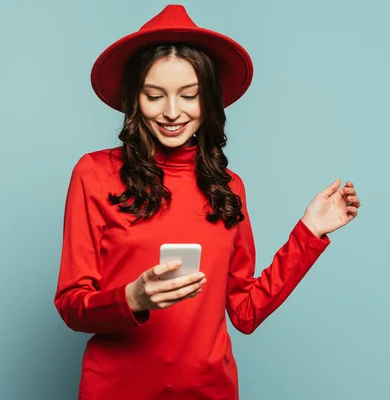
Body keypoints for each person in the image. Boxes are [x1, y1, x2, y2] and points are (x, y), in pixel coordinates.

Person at [54, 4, 361, 400]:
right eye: (154, 95)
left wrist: (310, 231)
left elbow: (246, 312)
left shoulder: (228, 186)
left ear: (210, 100)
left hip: (209, 390)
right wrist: (133, 298)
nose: (171, 112)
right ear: (134, 99)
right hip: (117, 389)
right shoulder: (94, 173)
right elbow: (71, 304)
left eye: (189, 96)